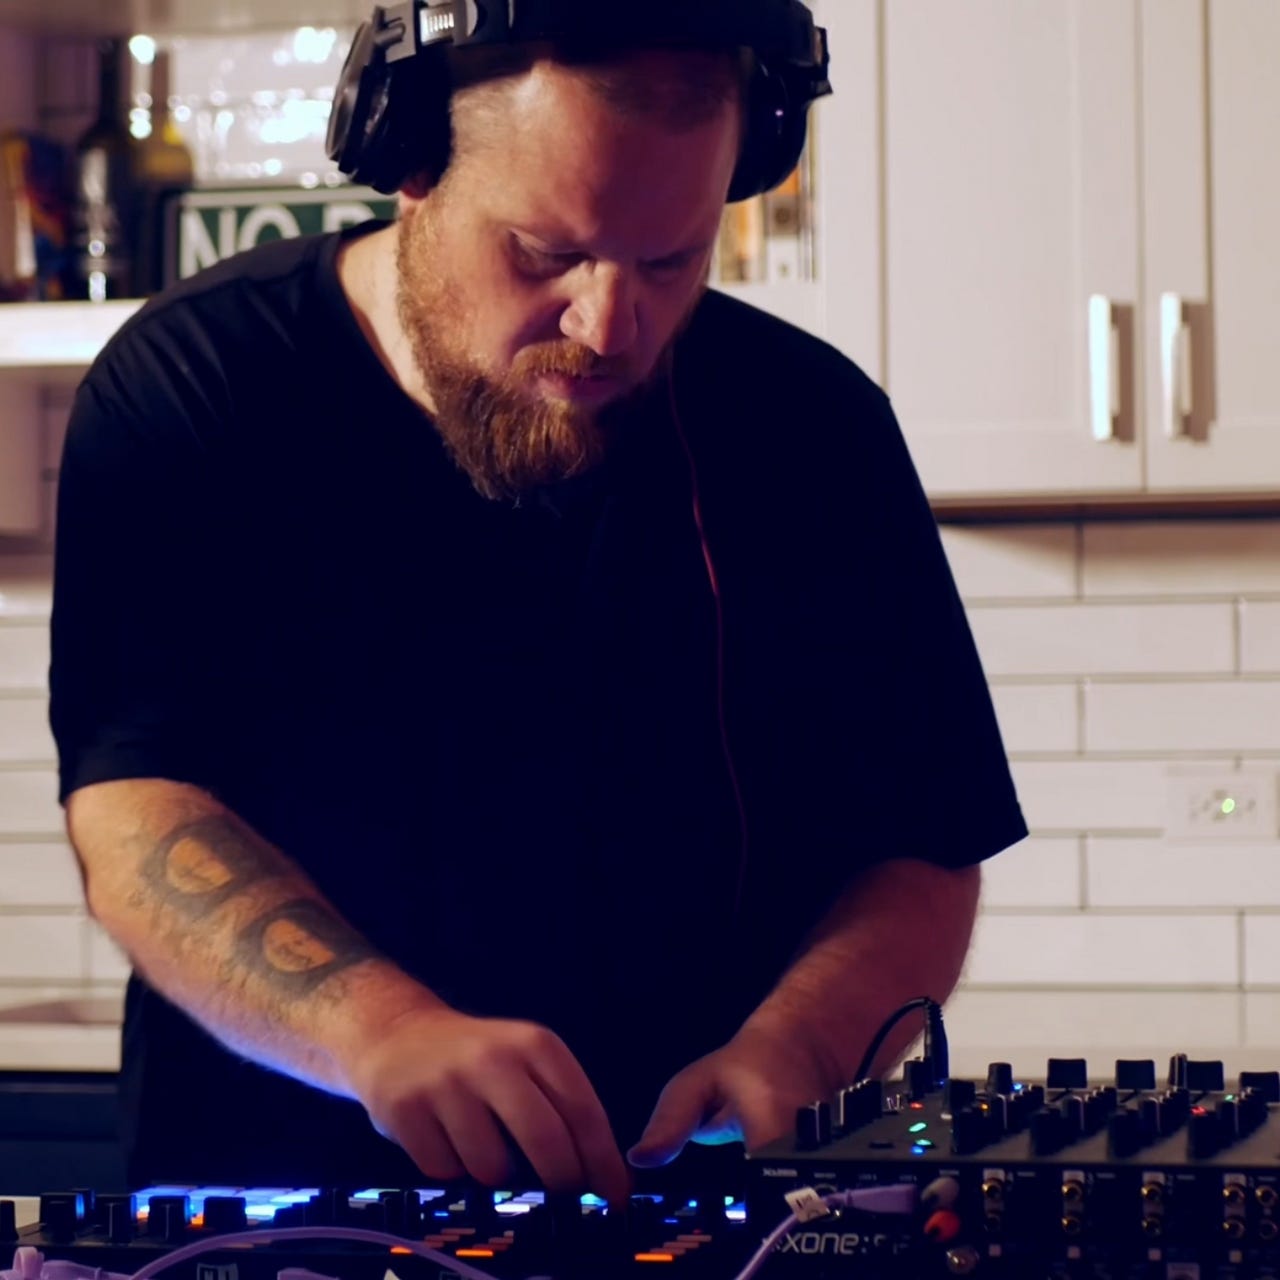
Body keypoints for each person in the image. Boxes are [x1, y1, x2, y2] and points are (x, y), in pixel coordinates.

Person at [48, 0, 1027, 1204]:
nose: (608, 326)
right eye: (543, 254)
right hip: (277, 1210)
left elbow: (921, 845)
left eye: (668, 261)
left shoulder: (816, 429)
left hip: (705, 1207)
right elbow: (135, 813)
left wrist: (803, 1045)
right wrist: (379, 1029)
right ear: (410, 164)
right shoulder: (194, 390)